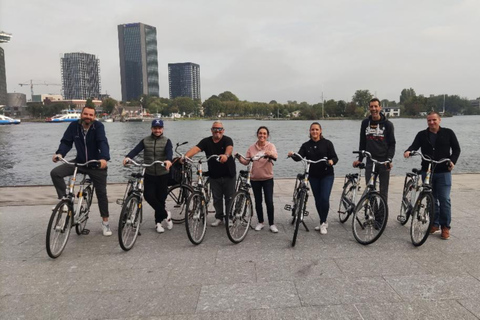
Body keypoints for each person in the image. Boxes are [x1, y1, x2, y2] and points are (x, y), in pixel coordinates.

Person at [51, 105, 112, 236]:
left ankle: (105, 223)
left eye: (91, 115)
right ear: (81, 114)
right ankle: (64, 202)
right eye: (86, 114)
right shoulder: (74, 126)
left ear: (94, 117)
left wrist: (104, 159)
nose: (88, 117)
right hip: (79, 162)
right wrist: (60, 154)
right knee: (56, 173)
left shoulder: (98, 127)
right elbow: (66, 142)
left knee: (101, 194)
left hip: (96, 164)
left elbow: (102, 142)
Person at [404, 111, 460, 240]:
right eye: (429, 120)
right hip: (427, 171)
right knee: (431, 199)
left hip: (443, 171)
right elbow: (414, 146)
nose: (431, 122)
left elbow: (456, 149)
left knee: (444, 199)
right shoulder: (422, 135)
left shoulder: (448, 133)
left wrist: (452, 161)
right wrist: (408, 151)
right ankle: (434, 224)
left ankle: (445, 226)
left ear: (439, 120)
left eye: (434, 120)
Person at [123, 119, 173, 233]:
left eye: (159, 128)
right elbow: (136, 150)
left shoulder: (167, 141)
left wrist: (168, 161)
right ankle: (166, 214)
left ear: (162, 129)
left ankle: (158, 223)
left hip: (162, 174)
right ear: (151, 129)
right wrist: (128, 157)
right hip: (149, 173)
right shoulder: (145, 140)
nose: (157, 130)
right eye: (155, 128)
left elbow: (169, 152)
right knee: (149, 196)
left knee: (161, 199)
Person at [288, 122, 338, 235]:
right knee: (317, 199)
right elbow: (299, 156)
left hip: (327, 175)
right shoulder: (306, 145)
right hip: (313, 176)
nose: (314, 132)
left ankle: (323, 222)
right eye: (312, 130)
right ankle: (322, 221)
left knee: (324, 198)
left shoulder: (327, 143)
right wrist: (292, 155)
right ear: (310, 131)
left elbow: (335, 157)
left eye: (316, 129)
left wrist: (331, 161)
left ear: (320, 131)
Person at [184, 121, 236, 227]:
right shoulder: (206, 141)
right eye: (215, 129)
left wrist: (226, 156)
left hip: (228, 174)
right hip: (214, 175)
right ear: (211, 130)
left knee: (229, 197)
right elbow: (196, 149)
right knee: (217, 198)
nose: (217, 131)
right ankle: (219, 217)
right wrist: (185, 157)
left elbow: (229, 149)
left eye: (220, 129)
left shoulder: (227, 140)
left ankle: (229, 217)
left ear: (223, 130)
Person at [237, 126, 279, 233]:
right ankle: (260, 222)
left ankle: (272, 223)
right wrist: (238, 157)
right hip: (255, 178)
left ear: (267, 135)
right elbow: (246, 161)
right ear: (257, 134)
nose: (262, 135)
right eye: (260, 133)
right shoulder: (251, 148)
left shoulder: (270, 146)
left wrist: (269, 153)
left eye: (264, 134)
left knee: (269, 201)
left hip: (267, 178)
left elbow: (275, 156)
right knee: (258, 201)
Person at [353, 98, 396, 202]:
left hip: (383, 161)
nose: (374, 109)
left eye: (376, 106)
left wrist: (389, 159)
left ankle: (382, 216)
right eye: (371, 106)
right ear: (369, 108)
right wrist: (360, 159)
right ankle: (373, 214)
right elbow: (362, 142)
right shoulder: (365, 123)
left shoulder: (388, 124)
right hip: (370, 161)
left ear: (380, 108)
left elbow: (392, 144)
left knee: (383, 191)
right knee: (370, 189)